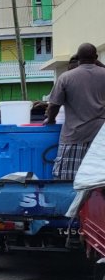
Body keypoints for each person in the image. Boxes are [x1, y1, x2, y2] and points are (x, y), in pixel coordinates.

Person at [46, 42, 105, 180]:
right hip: (101, 136)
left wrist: (51, 119)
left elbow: (54, 105)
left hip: (74, 136)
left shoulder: (66, 77)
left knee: (67, 179)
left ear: (78, 57)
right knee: (98, 180)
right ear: (96, 56)